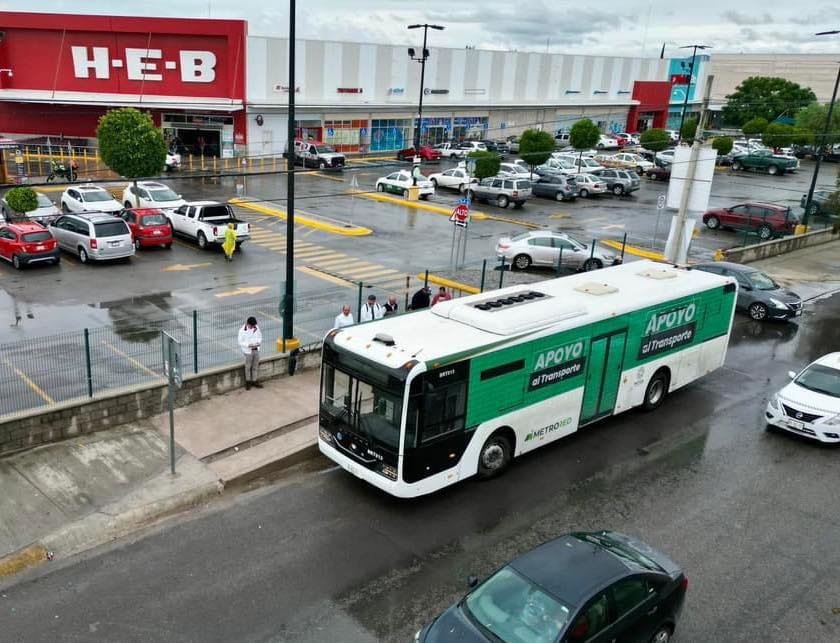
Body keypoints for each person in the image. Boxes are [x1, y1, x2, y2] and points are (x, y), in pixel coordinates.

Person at [237, 316, 262, 390]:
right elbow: (240, 342)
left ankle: (254, 381)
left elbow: (260, 336)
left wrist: (258, 343)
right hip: (248, 351)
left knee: (255, 366)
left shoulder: (256, 328)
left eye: (254, 326)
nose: (253, 327)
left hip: (256, 349)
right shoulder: (242, 331)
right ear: (247, 324)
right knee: (248, 367)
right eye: (251, 326)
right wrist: (248, 345)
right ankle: (248, 382)